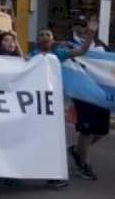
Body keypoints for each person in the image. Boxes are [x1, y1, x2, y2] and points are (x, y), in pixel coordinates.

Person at [31, 21, 98, 186]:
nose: (45, 37)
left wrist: (90, 33)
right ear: (37, 40)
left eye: (48, 35)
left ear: (52, 40)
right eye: (41, 35)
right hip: (33, 104)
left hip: (52, 105)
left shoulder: (59, 54)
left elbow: (82, 50)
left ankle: (52, 176)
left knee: (52, 140)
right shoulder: (31, 56)